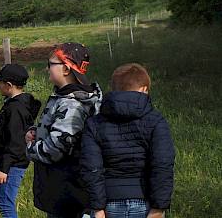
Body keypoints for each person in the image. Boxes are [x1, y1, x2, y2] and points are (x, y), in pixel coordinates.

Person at [80, 63, 174, 218]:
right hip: (145, 200)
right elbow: (162, 164)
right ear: (144, 89)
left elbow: (91, 168)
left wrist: (97, 208)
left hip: (109, 203)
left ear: (113, 89)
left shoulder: (94, 123)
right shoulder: (156, 120)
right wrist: (159, 207)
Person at [26, 43, 102, 218]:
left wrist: (30, 145)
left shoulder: (72, 104)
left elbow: (56, 149)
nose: (47, 69)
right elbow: (57, 128)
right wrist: (37, 131)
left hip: (69, 192)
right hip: (61, 191)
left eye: (50, 64)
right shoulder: (64, 97)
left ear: (66, 69)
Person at [0, 64, 41, 218]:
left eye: (0, 83)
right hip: (8, 163)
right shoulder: (18, 104)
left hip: (12, 165)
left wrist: (3, 169)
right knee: (5, 203)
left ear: (9, 85)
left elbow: (16, 143)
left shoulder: (15, 109)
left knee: (6, 206)